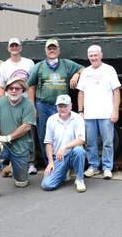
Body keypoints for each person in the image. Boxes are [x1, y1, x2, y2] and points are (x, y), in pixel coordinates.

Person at [28, 38, 84, 166]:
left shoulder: (66, 64)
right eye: (49, 48)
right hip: (43, 106)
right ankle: (50, 163)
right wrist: (33, 106)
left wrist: (76, 75)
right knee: (44, 135)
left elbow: (84, 69)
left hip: (62, 107)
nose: (52, 50)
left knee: (64, 134)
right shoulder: (39, 67)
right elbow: (31, 86)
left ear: (59, 50)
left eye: (54, 48)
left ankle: (64, 163)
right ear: (46, 51)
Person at [0, 77, 36, 203]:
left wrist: (8, 137)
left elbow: (27, 126)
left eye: (17, 88)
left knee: (21, 183)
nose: (13, 91)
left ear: (22, 90)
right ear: (6, 90)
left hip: (21, 146)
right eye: (10, 88)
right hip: (3, 144)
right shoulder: (0, 103)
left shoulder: (28, 104)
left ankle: (11, 167)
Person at [77, 45, 121, 179]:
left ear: (101, 55)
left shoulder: (109, 70)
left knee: (108, 142)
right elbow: (81, 93)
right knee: (90, 142)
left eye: (95, 55)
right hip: (89, 114)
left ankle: (107, 167)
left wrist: (115, 111)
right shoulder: (85, 72)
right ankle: (93, 166)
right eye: (91, 56)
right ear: (88, 57)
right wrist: (80, 111)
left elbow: (116, 91)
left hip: (106, 113)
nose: (93, 58)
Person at [0, 37, 37, 175]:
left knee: (29, 133)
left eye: (16, 46)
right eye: (11, 46)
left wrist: (32, 104)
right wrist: (3, 105)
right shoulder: (4, 66)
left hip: (25, 104)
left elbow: (31, 85)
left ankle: (31, 162)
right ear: (8, 48)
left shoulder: (29, 63)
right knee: (11, 133)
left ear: (20, 48)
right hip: (10, 103)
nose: (14, 48)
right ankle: (11, 163)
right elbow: (1, 87)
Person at [41, 94, 86, 193]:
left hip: (72, 154)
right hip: (58, 158)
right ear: (56, 107)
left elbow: (81, 140)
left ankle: (79, 179)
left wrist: (64, 147)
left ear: (70, 106)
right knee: (47, 185)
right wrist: (50, 162)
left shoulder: (78, 118)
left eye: (65, 106)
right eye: (60, 106)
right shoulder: (51, 120)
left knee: (79, 150)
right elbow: (48, 143)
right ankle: (63, 174)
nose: (62, 109)